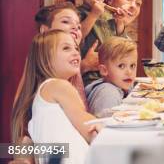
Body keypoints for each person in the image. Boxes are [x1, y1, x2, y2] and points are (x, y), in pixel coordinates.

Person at [11, 31, 102, 164]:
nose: (76, 52)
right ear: (45, 59)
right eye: (66, 48)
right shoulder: (58, 86)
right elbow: (88, 126)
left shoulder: (39, 100)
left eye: (76, 48)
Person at [15, 2, 89, 111]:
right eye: (65, 21)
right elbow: (21, 101)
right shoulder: (40, 57)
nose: (75, 27)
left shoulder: (73, 57)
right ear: (45, 30)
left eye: (78, 26)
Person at [78, 0, 143, 86]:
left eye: (138, 3)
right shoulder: (87, 19)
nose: (133, 6)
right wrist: (85, 65)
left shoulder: (120, 29)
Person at [85, 37, 137, 117]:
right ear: (104, 70)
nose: (129, 72)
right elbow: (106, 125)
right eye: (121, 66)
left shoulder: (120, 84)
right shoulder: (108, 93)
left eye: (132, 66)